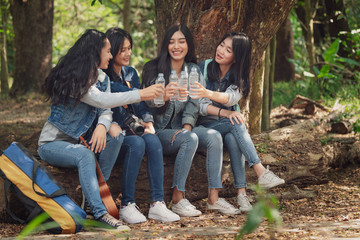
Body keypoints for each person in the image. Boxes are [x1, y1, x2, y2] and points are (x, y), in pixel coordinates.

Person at [37, 29, 164, 231]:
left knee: (117, 136)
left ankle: (92, 201)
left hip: (82, 140)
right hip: (53, 144)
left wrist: (103, 125)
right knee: (85, 155)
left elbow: (105, 110)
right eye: (108, 51)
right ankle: (98, 213)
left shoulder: (102, 78)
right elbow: (100, 99)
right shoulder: (75, 79)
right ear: (95, 52)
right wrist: (140, 94)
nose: (111, 56)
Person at [142, 23, 240, 217]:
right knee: (190, 138)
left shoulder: (193, 70)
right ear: (166, 46)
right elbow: (147, 104)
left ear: (188, 45)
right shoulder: (153, 68)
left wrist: (187, 127)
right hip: (157, 131)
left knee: (213, 137)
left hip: (183, 129)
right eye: (171, 42)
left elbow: (193, 105)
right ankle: (178, 199)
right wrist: (166, 95)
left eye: (181, 41)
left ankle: (214, 198)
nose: (176, 46)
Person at [192, 32, 285, 212]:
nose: (221, 51)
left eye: (228, 50)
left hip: (228, 126)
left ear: (236, 57)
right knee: (235, 121)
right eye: (221, 45)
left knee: (234, 138)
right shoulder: (203, 67)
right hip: (205, 124)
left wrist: (209, 94)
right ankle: (260, 171)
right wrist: (225, 113)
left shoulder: (240, 76)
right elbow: (200, 106)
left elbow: (231, 99)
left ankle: (241, 195)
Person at [104, 27, 180, 224]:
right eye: (122, 50)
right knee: (137, 144)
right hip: (115, 133)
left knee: (153, 141)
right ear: (111, 52)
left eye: (129, 48)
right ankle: (127, 204)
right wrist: (146, 93)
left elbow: (140, 103)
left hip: (134, 127)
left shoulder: (130, 73)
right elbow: (128, 94)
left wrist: (148, 121)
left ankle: (157, 204)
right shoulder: (104, 77)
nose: (128, 53)